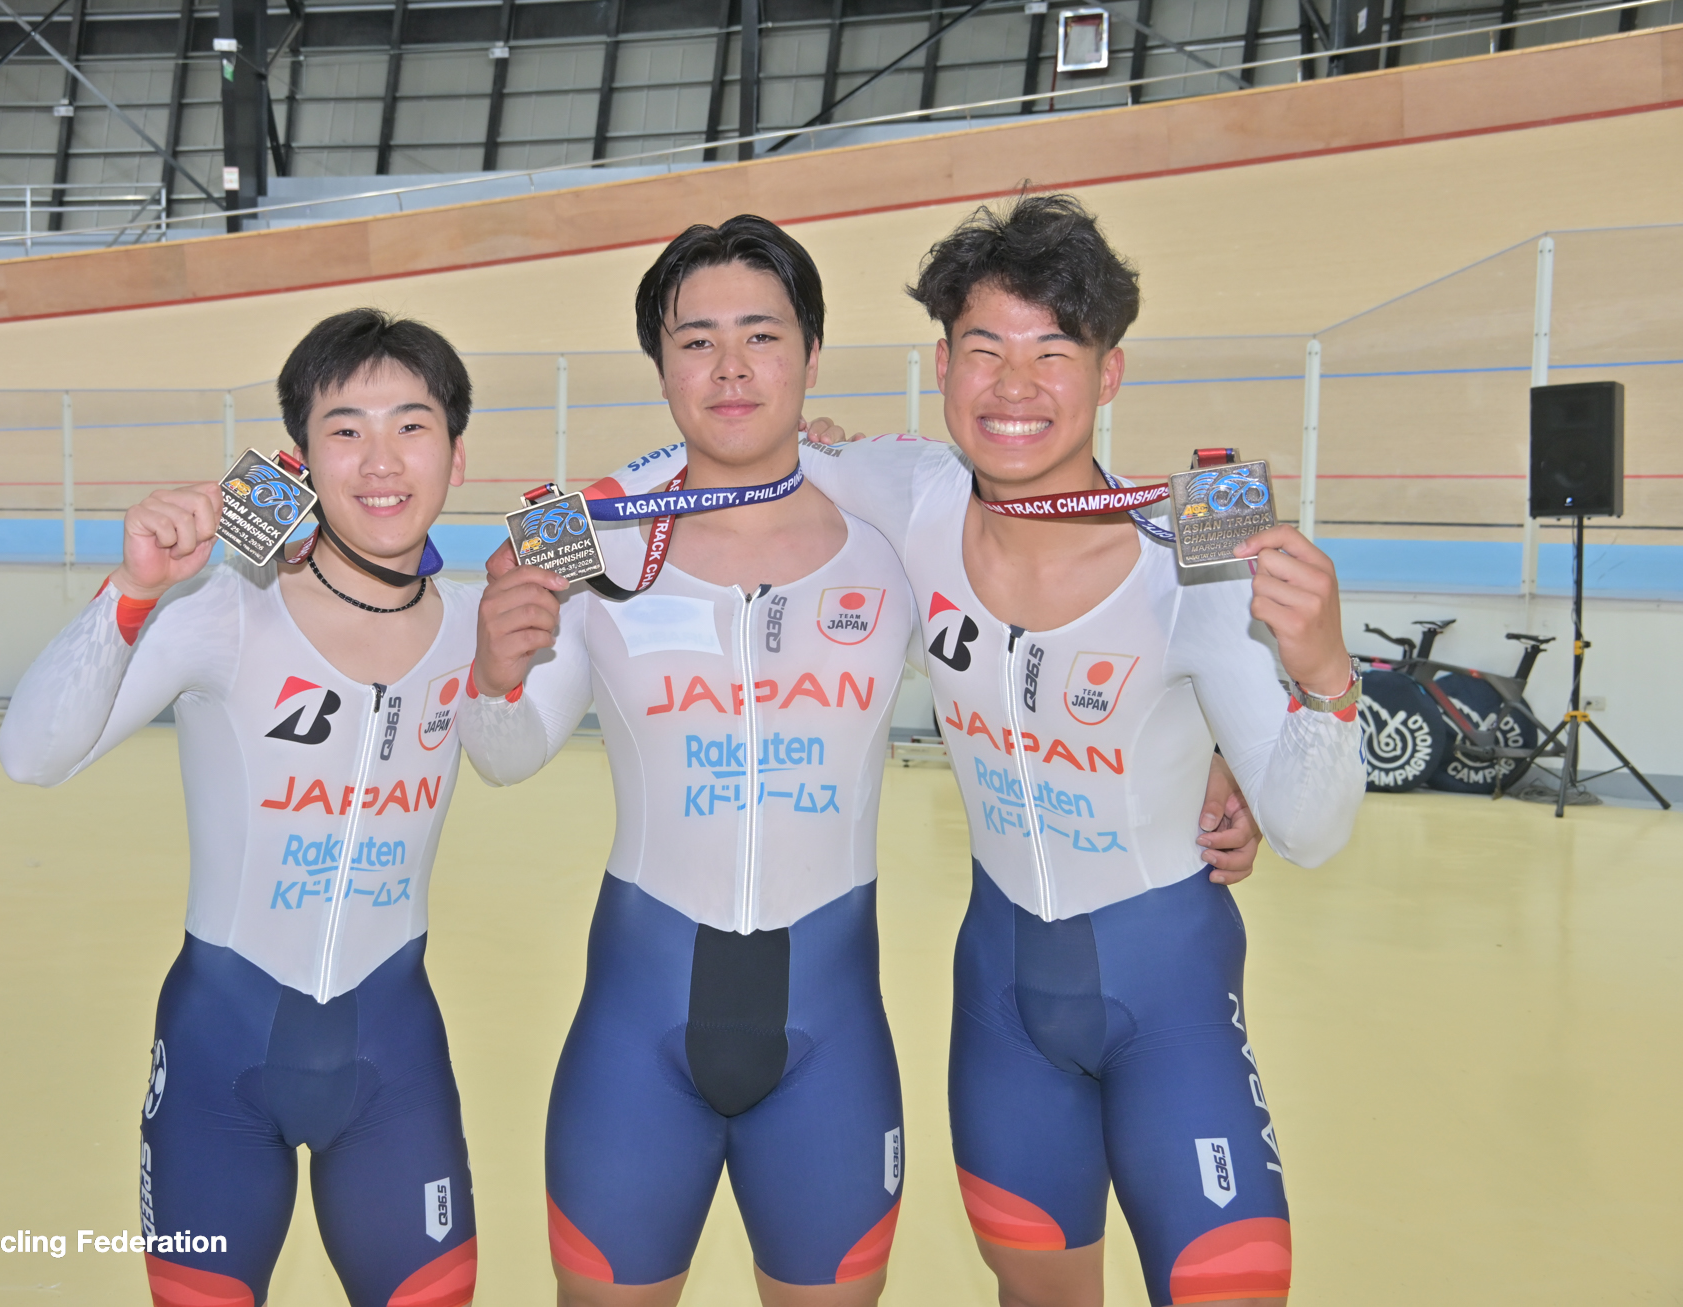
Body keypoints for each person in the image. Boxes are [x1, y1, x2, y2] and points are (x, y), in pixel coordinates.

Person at [461, 215, 1265, 1307]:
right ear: (659, 364)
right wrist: (494, 670)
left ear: (811, 355)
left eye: (763, 334)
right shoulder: (597, 543)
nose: (733, 366)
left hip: (827, 1038)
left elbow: (1074, 601)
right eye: (696, 341)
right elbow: (505, 752)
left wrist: (1216, 745)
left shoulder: (893, 531)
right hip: (632, 1028)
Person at [791, 194, 1366, 1307]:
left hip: (1172, 998)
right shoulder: (906, 494)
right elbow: (759, 452)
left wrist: (1326, 674)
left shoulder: (1197, 550)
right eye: (984, 349)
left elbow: (1308, 825)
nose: (1014, 386)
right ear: (942, 365)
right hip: (1004, 998)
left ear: (1108, 376)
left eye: (1054, 350)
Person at [0, 310, 481, 1307]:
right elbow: (30, 754)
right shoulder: (224, 610)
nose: (380, 459)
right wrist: (134, 591)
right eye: (345, 429)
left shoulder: (480, 627)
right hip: (221, 1053)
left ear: (456, 456)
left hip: (394, 1061)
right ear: (300, 460)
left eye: (411, 425)